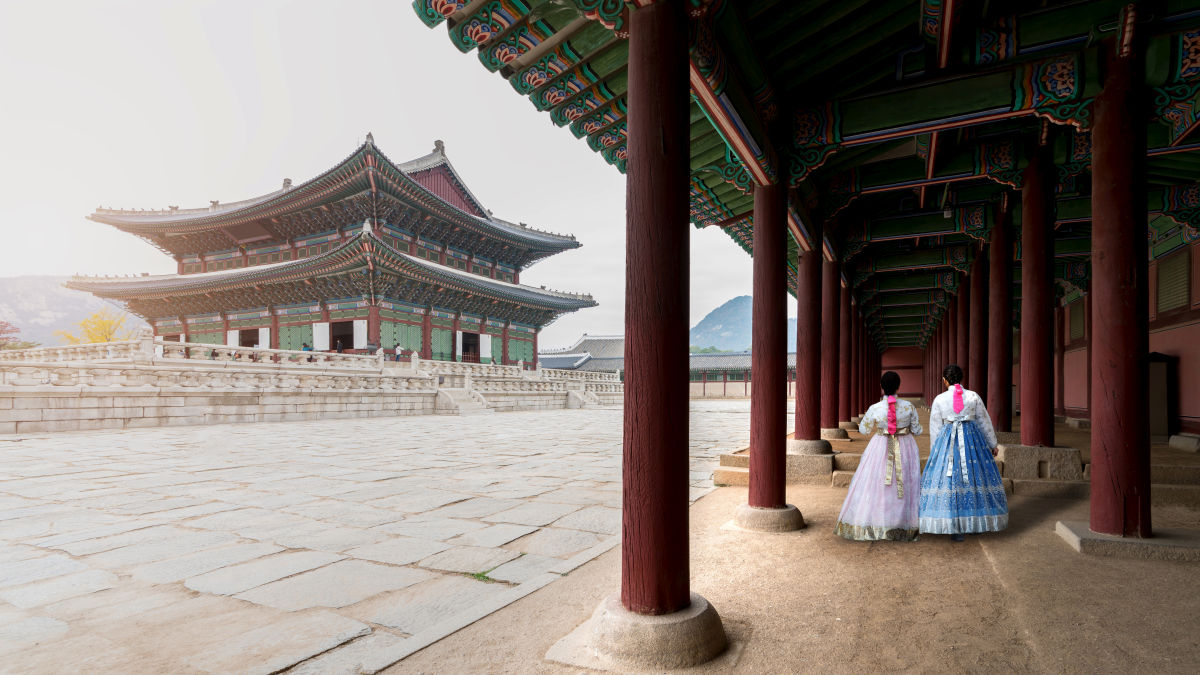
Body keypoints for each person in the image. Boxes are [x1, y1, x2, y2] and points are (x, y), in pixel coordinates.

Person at [919, 364, 1008, 541]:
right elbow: (983, 421)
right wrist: (992, 444)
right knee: (975, 478)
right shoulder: (973, 396)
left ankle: (954, 526)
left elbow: (936, 427)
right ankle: (975, 523)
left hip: (947, 441)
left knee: (951, 480)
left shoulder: (939, 399)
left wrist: (935, 453)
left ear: (944, 380)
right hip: (972, 440)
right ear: (961, 378)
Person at [834, 371, 923, 542]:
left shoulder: (875, 408)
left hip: (880, 445)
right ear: (899, 386)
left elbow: (864, 430)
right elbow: (918, 430)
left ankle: (877, 521)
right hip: (905, 446)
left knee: (877, 482)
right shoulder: (909, 407)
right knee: (904, 482)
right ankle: (905, 523)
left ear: (881, 387)